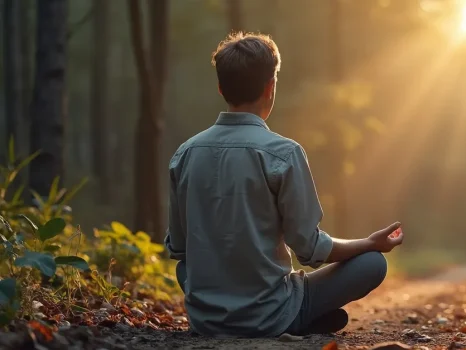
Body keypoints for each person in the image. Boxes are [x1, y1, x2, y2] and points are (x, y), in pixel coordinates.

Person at [163, 31, 405, 338]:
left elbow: (180, 249)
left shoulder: (185, 153)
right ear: (271, 86)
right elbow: (310, 248)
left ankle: (261, 320)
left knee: (184, 269)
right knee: (372, 264)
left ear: (221, 87)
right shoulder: (284, 153)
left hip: (206, 320)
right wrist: (370, 244)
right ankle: (297, 319)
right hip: (271, 314)